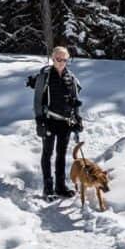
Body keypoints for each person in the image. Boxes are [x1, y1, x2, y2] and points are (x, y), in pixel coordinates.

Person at [29, 46, 83, 200]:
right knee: (48, 153)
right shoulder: (44, 77)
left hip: (65, 122)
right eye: (58, 59)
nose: (61, 62)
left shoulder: (71, 78)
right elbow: (37, 101)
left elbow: (75, 101)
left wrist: (78, 119)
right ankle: (48, 188)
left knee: (61, 154)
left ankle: (60, 186)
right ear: (53, 59)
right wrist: (40, 122)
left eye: (64, 60)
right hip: (49, 121)